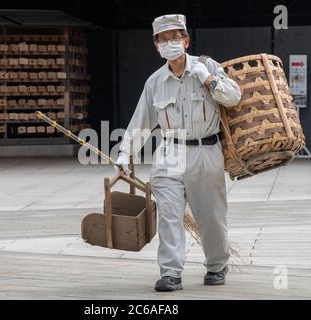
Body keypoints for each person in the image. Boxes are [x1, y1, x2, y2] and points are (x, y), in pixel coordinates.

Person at [115, 14, 241, 291]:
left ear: (186, 40)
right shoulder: (155, 82)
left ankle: (217, 265)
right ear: (156, 45)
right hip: (170, 152)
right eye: (163, 39)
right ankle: (171, 272)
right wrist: (126, 152)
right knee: (170, 215)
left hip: (205, 150)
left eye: (175, 37)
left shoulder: (207, 66)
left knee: (210, 216)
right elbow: (142, 120)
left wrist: (209, 80)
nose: (170, 43)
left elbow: (234, 97)